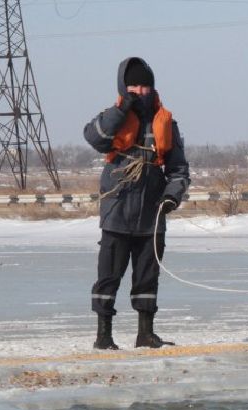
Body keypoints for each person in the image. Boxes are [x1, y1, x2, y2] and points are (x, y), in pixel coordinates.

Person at [83, 57, 190, 350]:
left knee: (147, 277)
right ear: (123, 87)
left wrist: (171, 196)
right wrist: (121, 110)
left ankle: (146, 333)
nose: (140, 91)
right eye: (134, 86)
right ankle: (103, 336)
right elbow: (94, 138)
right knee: (109, 276)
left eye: (145, 86)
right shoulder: (111, 118)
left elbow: (179, 170)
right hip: (116, 212)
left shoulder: (167, 123)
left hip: (151, 215)